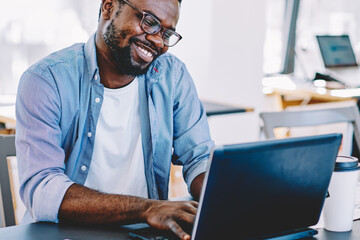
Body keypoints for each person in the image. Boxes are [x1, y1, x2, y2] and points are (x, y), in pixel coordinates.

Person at [15, 0, 214, 239]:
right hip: (64, 234)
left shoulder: (172, 76)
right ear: (108, 7)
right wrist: (147, 209)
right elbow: (43, 189)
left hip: (146, 233)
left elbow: (200, 158)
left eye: (167, 32)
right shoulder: (46, 80)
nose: (158, 41)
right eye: (149, 22)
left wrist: (227, 200)